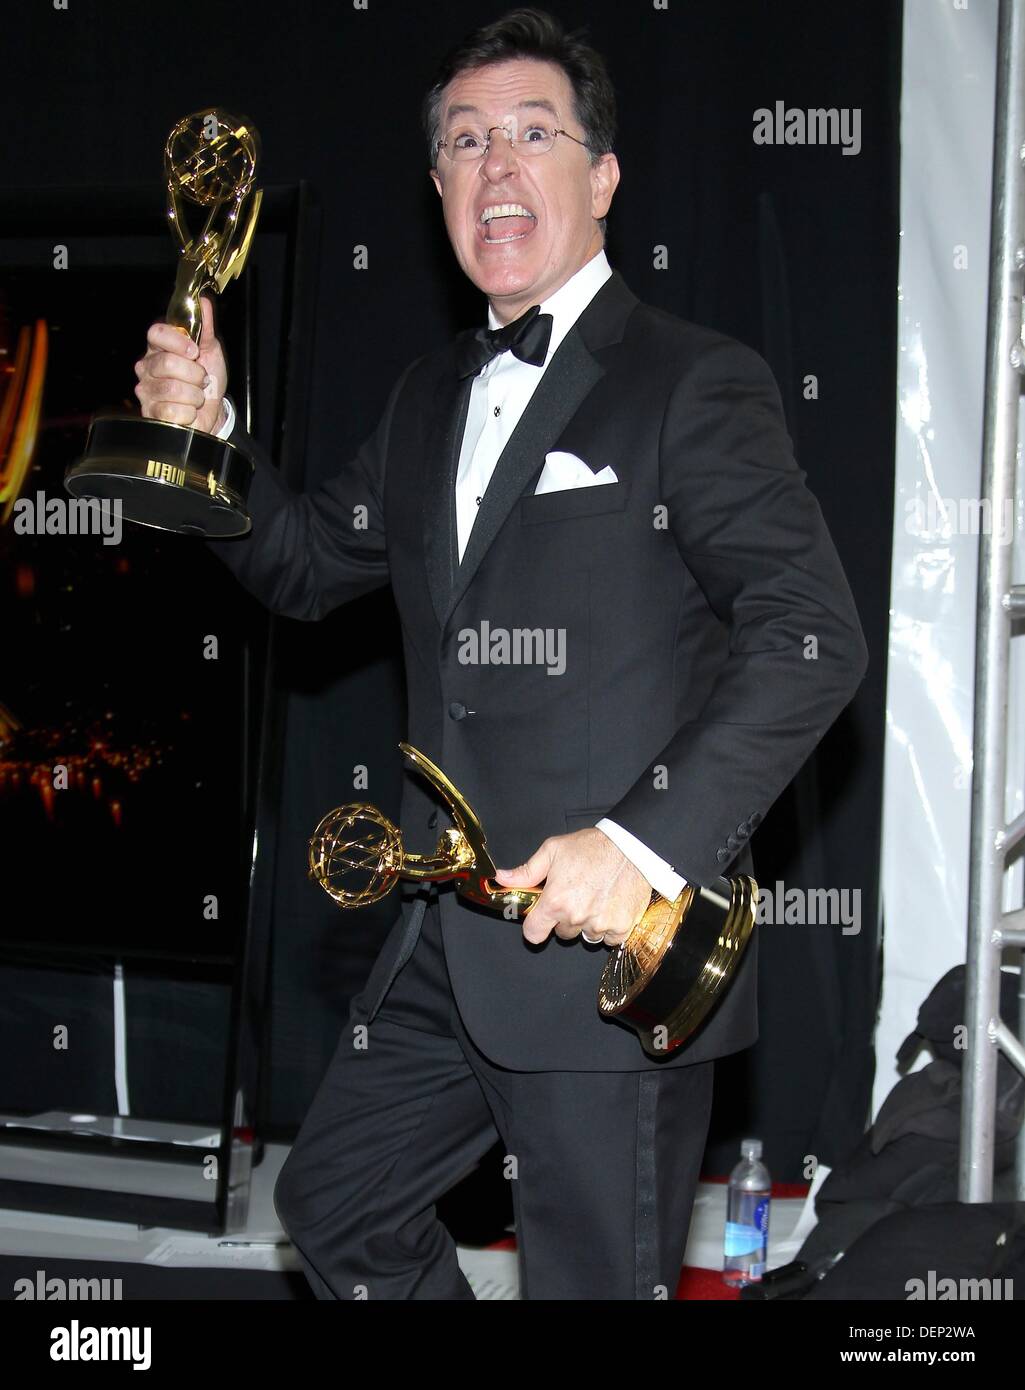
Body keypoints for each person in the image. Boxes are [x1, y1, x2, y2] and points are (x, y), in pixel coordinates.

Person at [133, 7, 868, 1300]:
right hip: (441, 946)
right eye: (466, 142)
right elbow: (304, 564)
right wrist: (210, 442)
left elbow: (811, 637)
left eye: (534, 133)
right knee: (335, 1197)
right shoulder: (427, 399)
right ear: (434, 191)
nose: (497, 166)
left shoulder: (693, 381)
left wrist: (637, 846)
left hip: (611, 960)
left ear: (602, 177)